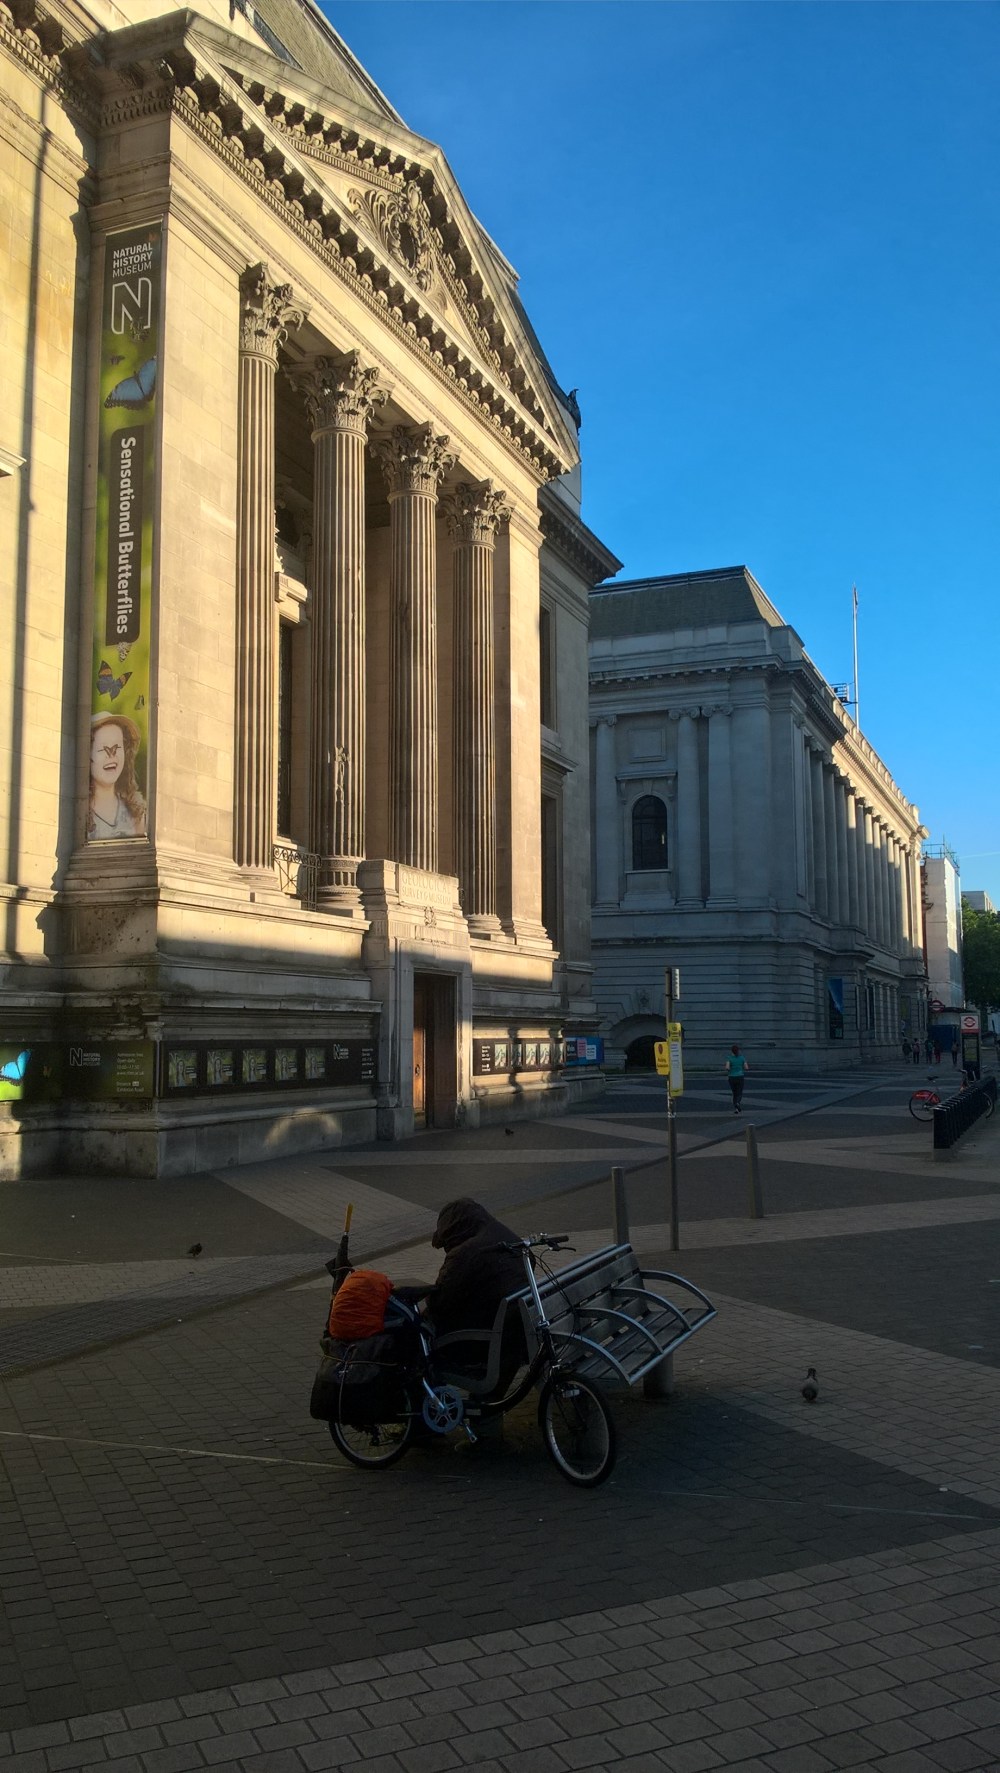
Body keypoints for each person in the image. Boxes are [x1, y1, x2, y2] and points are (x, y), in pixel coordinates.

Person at [397, 1198, 528, 1383]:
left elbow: (439, 1303)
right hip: (514, 1330)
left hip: (481, 1341)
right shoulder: (508, 1237)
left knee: (415, 1333)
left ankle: (427, 1392)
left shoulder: (466, 1253)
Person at [88, 712, 147, 838]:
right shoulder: (79, 812)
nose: (111, 755)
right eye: (103, 748)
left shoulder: (136, 813)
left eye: (117, 747)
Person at [725, 1044, 749, 1114]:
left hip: (731, 1077)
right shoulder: (742, 1058)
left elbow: (727, 1067)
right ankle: (738, 1103)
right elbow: (746, 1067)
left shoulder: (729, 1058)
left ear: (732, 1051)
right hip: (740, 1076)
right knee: (739, 1092)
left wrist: (731, 1069)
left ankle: (736, 1109)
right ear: (738, 1051)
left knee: (734, 1093)